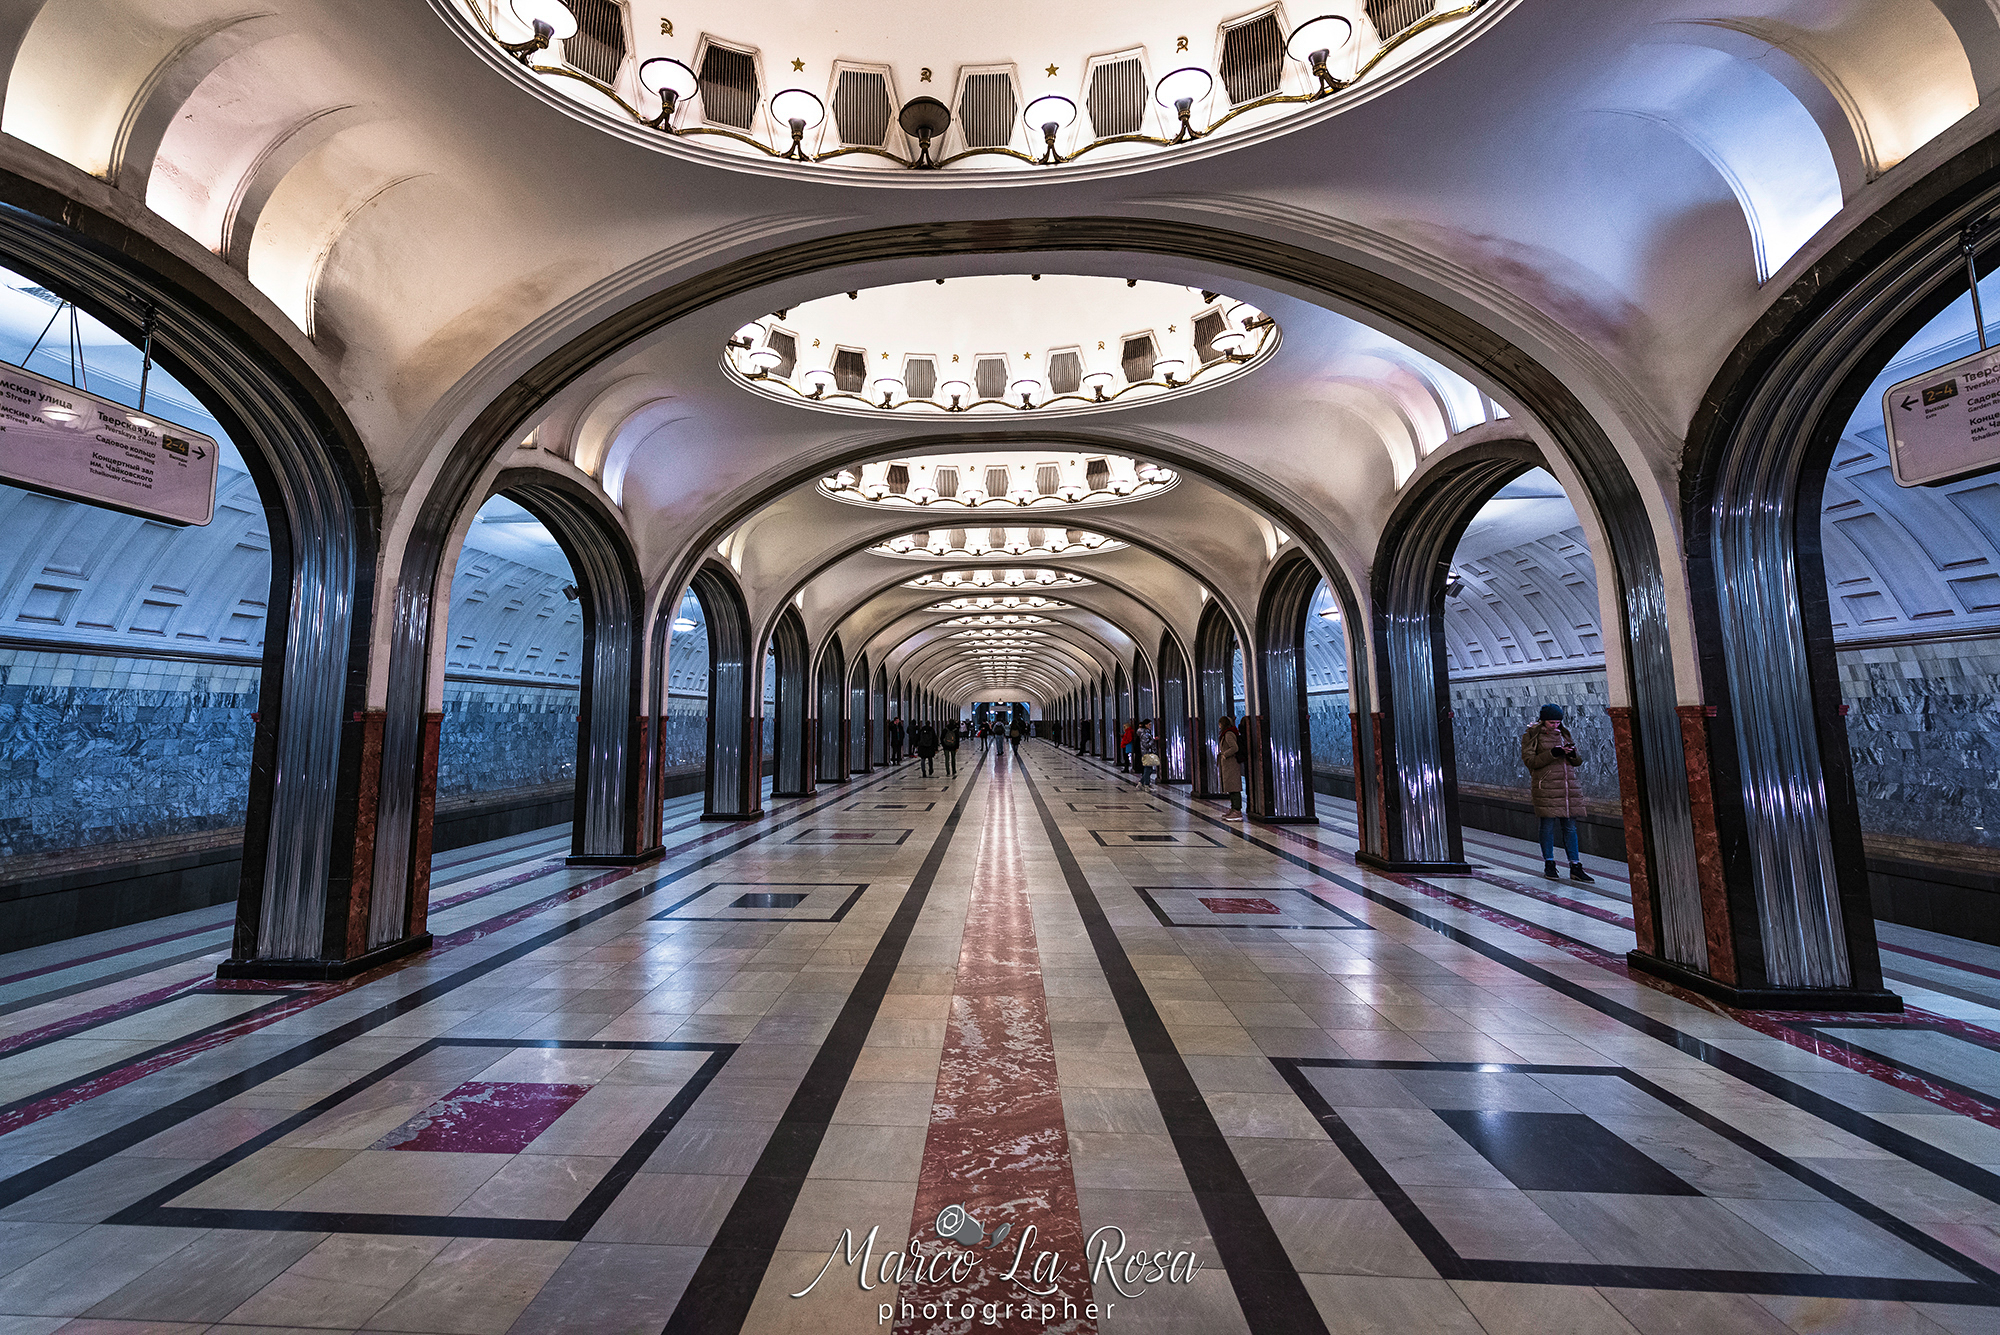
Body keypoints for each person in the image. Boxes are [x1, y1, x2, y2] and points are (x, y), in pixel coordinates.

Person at [1523, 703, 1595, 883]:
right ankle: (1549, 863)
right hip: (1546, 786)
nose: (1555, 725)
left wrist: (1571, 754)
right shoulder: (1532, 735)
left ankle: (1575, 866)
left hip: (1568, 787)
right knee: (1547, 827)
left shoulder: (1564, 733)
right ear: (1543, 721)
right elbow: (1531, 761)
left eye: (1557, 722)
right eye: (1551, 722)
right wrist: (1553, 753)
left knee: (1570, 827)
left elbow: (1577, 761)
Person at [1217, 716, 1243, 812]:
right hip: (1228, 764)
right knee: (1231, 787)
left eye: (1220, 723)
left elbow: (1234, 747)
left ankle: (1236, 809)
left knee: (1234, 787)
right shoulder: (1226, 733)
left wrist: (1225, 754)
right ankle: (1233, 808)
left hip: (1231, 763)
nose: (1219, 726)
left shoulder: (1228, 734)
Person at [1136, 718, 1159, 788]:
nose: (1150, 726)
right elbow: (1146, 745)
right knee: (1148, 769)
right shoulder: (1145, 734)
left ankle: (1141, 782)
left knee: (1149, 769)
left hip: (1147, 753)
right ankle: (1146, 784)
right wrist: (1153, 740)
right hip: (1147, 753)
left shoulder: (1146, 733)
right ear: (1145, 725)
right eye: (1149, 724)